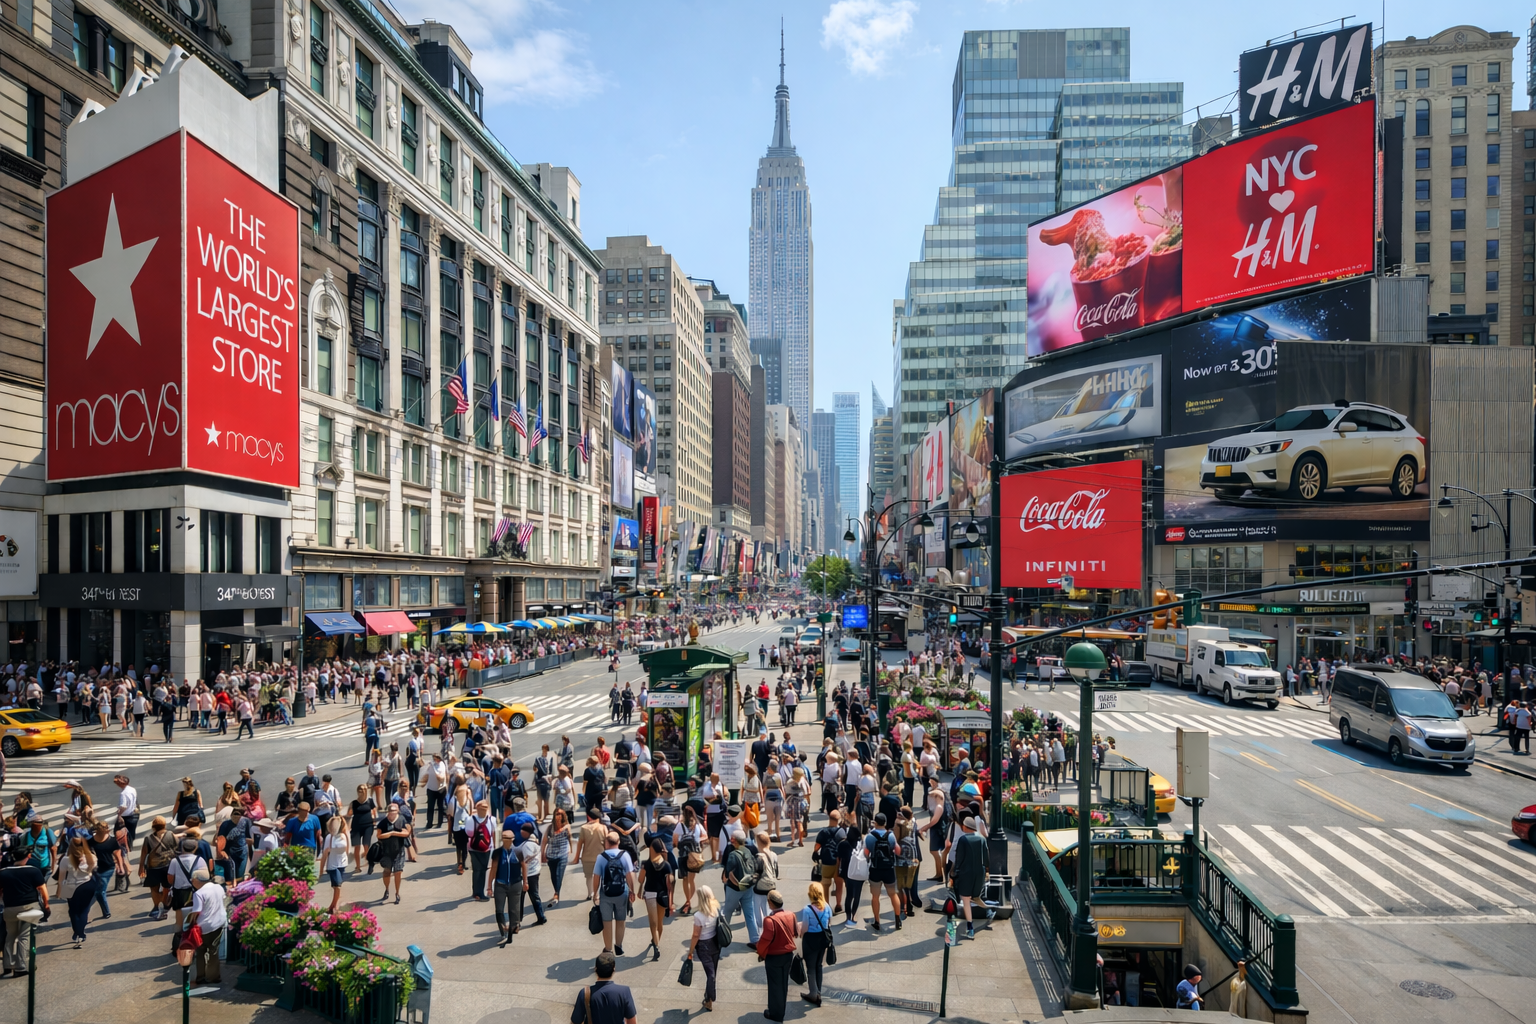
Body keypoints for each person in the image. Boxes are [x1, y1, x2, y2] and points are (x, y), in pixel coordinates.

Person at [1, 846, 49, 975]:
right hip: (29, 907)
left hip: (10, 908)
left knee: (10, 936)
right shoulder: (33, 871)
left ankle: (8, 965)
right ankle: (21, 966)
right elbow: (42, 890)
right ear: (28, 856)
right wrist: (46, 905)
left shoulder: (3, 872)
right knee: (24, 936)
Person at [590, 831, 636, 956]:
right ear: (618, 842)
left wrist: (595, 894)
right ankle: (619, 946)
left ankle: (608, 948)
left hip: (606, 892)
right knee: (621, 920)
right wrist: (632, 890)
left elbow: (596, 877)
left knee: (607, 921)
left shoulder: (601, 857)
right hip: (622, 892)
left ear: (606, 842)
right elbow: (629, 875)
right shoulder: (625, 855)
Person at [755, 890, 798, 1022]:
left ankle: (776, 1013)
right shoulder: (791, 915)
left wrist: (760, 952)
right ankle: (781, 1010)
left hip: (774, 957)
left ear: (770, 903)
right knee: (783, 984)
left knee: (774, 986)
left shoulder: (769, 921)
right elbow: (795, 933)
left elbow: (765, 940)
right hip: (788, 955)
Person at [570, 951, 638, 1024]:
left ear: (595, 969)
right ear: (614, 969)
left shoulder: (585, 993)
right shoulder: (624, 992)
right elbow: (632, 1021)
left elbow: (575, 1021)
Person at [186, 868, 227, 985]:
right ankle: (214, 977)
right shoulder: (219, 887)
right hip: (219, 923)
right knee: (214, 950)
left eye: (192, 880)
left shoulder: (199, 893)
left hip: (205, 927)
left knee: (200, 951)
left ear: (197, 880)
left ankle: (201, 976)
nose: (192, 882)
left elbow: (196, 912)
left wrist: (189, 923)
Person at [951, 814, 990, 939]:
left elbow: (959, 859)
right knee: (976, 897)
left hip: (965, 873)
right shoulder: (982, 839)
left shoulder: (963, 840)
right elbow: (987, 859)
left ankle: (970, 927)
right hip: (979, 873)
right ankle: (989, 910)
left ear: (966, 827)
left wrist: (955, 872)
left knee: (966, 900)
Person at [685, 884, 722, 1012]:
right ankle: (708, 999)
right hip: (715, 944)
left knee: (710, 974)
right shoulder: (716, 909)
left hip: (703, 946)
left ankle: (710, 999)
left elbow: (696, 935)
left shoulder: (698, 916)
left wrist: (690, 951)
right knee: (712, 972)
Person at [57, 836, 98, 948]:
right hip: (87, 884)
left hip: (70, 885)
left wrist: (59, 892)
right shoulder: (92, 857)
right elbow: (93, 869)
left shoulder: (65, 859)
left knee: (73, 911)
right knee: (84, 910)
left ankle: (77, 932)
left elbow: (61, 878)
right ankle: (81, 933)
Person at [797, 882, 833, 1006]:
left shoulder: (808, 909)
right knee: (819, 965)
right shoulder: (827, 906)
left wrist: (800, 933)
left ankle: (813, 994)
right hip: (823, 939)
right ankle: (819, 992)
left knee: (810, 967)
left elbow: (805, 927)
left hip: (810, 940)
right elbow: (829, 923)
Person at [864, 813, 901, 931]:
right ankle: (897, 919)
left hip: (875, 869)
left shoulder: (870, 836)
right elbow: (897, 850)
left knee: (875, 896)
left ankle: (877, 921)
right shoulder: (891, 835)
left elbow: (866, 853)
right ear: (885, 823)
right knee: (893, 894)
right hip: (889, 868)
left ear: (875, 822)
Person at [639, 838, 674, 961]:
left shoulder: (646, 864)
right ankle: (656, 942)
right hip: (662, 894)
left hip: (650, 893)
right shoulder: (667, 865)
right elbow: (670, 883)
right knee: (659, 922)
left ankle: (656, 944)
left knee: (652, 923)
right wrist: (671, 902)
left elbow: (640, 879)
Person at [491, 828, 528, 945]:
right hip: (500, 884)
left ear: (513, 839)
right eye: (504, 838)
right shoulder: (497, 853)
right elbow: (494, 869)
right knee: (499, 909)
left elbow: (524, 866)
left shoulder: (518, 851)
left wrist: (525, 882)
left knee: (514, 910)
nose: (507, 841)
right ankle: (503, 932)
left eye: (509, 839)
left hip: (515, 884)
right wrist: (488, 885)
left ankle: (512, 930)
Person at [376, 803, 410, 904]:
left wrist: (393, 833)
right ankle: (387, 889)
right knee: (387, 872)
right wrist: (389, 834)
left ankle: (397, 893)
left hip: (399, 850)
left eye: (394, 811)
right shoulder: (383, 823)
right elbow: (379, 835)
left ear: (397, 811)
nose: (392, 813)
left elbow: (406, 833)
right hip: (386, 852)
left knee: (398, 872)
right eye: (391, 811)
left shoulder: (401, 820)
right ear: (388, 812)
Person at [321, 817, 350, 912]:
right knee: (337, 886)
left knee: (337, 886)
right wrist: (321, 869)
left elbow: (348, 850)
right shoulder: (329, 837)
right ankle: (334, 906)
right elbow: (325, 854)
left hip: (342, 864)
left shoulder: (344, 835)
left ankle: (332, 907)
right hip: (332, 865)